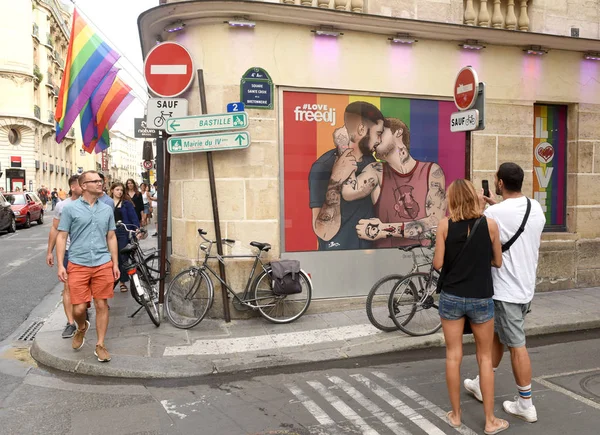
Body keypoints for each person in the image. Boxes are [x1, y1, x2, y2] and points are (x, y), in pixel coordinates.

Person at [464, 163, 546, 423]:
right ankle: (480, 382)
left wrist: (482, 206)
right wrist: (492, 206)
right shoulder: (536, 208)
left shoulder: (494, 213)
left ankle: (526, 403)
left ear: (499, 183)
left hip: (504, 290)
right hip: (525, 288)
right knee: (499, 337)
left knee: (517, 345)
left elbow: (476, 235)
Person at [433, 179, 507, 434]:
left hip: (452, 297)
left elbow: (438, 264)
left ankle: (455, 415)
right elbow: (497, 261)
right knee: (485, 358)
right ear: (473, 196)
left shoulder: (444, 225)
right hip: (480, 296)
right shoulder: (490, 225)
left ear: (452, 199)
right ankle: (490, 420)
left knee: (453, 356)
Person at [345, 118, 446, 246]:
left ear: (398, 133)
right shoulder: (375, 170)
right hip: (386, 259)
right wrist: (350, 147)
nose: (375, 140)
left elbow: (435, 223)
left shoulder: (431, 171)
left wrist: (383, 230)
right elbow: (348, 192)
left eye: (380, 133)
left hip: (422, 259)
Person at [56, 170, 120, 363]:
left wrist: (115, 263)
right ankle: (82, 327)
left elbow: (111, 236)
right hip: (78, 262)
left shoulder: (107, 208)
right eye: (95, 181)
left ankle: (100, 344)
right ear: (84, 186)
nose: (100, 184)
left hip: (102, 262)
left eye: (100, 181)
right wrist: (61, 264)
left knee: (102, 304)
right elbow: (62, 236)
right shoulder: (70, 209)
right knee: (78, 309)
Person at [308, 101, 384, 250]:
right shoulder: (323, 166)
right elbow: (324, 233)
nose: (379, 140)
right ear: (362, 129)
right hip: (337, 257)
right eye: (378, 134)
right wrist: (335, 180)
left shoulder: (370, 161)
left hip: (370, 256)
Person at [47, 175, 82, 338]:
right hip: (69, 252)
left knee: (85, 287)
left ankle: (82, 312)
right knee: (67, 287)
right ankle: (70, 323)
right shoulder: (62, 206)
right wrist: (50, 251)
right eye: (81, 185)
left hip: (87, 253)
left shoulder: (94, 203)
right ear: (73, 187)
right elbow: (55, 229)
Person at [109, 181, 140, 292]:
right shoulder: (107, 203)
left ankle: (122, 282)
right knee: (111, 258)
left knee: (123, 257)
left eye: (121, 190)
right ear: (112, 190)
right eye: (117, 189)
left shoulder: (126, 203)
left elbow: (133, 218)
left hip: (123, 231)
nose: (120, 192)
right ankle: (111, 281)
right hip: (110, 232)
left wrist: (137, 229)